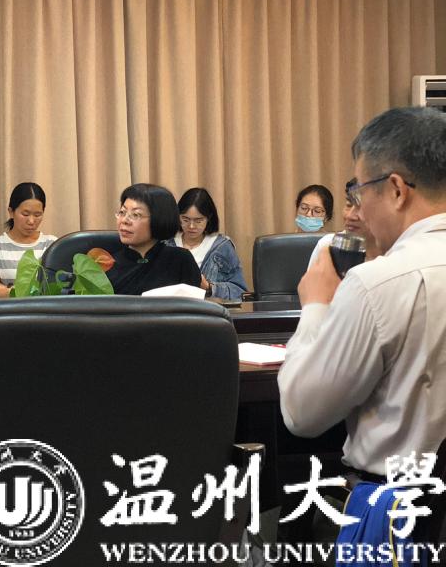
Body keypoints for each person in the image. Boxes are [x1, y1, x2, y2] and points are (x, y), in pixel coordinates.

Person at [279, 107, 446, 480]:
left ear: (396, 190)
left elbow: (302, 413)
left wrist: (316, 306)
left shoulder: (378, 282)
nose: (358, 211)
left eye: (359, 191)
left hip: (397, 504)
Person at [107, 183, 201, 295]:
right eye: (122, 212)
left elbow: (193, 304)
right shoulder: (106, 264)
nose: (124, 220)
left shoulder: (181, 260)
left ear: (159, 219)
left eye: (135, 215)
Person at [165, 187, 247, 300]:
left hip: (208, 309)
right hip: (170, 308)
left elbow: (239, 291)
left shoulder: (222, 247)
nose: (191, 226)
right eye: (185, 219)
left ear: (209, 218)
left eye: (198, 221)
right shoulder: (166, 244)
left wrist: (209, 287)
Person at [0, 182, 57, 298]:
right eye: (25, 214)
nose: (31, 221)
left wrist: (8, 288)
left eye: (37, 215)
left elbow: (58, 288)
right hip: (8, 310)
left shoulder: (52, 245)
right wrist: (34, 290)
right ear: (11, 212)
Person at [307, 178, 381, 267]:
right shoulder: (327, 246)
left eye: (361, 207)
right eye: (349, 205)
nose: (349, 216)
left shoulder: (393, 254)